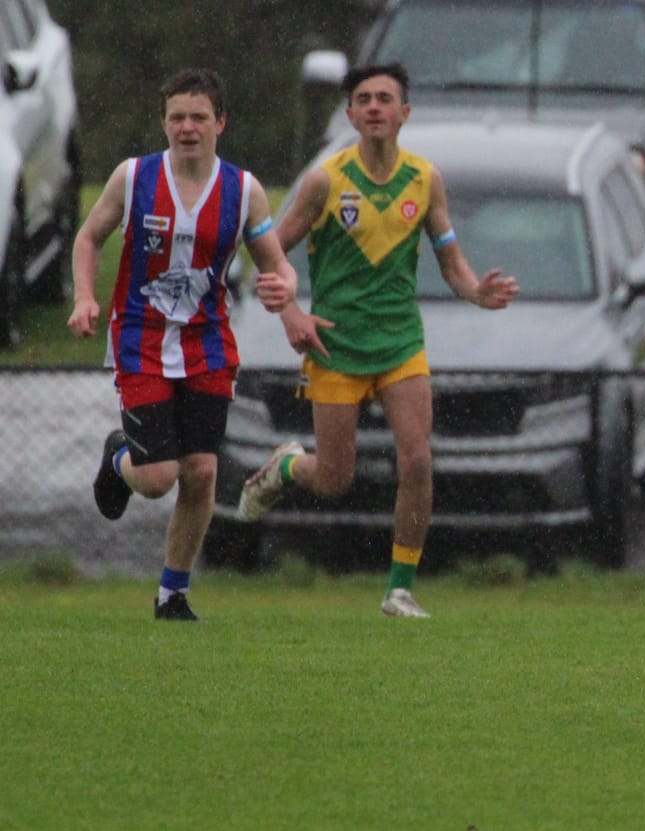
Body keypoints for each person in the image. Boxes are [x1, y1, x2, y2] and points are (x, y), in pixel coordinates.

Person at [235, 63, 519, 617]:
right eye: (363, 99)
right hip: (336, 346)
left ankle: (399, 590)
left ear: (404, 113)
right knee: (334, 480)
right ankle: (287, 466)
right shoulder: (325, 181)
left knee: (417, 461)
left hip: (399, 344)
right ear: (349, 115)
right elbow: (268, 250)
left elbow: (452, 264)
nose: (373, 107)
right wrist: (291, 313)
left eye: (384, 98)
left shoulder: (425, 179)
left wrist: (476, 292)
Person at [68, 68, 298, 620]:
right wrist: (84, 297)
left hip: (208, 344)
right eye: (177, 117)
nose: (187, 127)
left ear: (220, 122)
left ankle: (172, 594)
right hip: (140, 338)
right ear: (164, 123)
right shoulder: (134, 177)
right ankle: (118, 457)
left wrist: (284, 288)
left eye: (198, 117)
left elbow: (277, 265)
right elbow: (89, 237)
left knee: (201, 472)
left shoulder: (243, 190)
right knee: (156, 479)